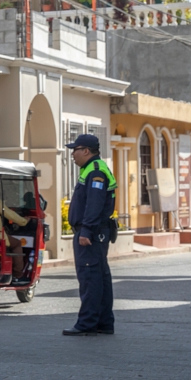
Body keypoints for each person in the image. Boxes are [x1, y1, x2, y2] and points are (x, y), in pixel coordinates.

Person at [63, 133, 117, 336]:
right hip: (97, 233)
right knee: (100, 277)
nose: (72, 155)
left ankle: (87, 323)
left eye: (75, 150)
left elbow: (94, 204)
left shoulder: (95, 172)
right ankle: (104, 322)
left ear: (86, 151)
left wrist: (86, 230)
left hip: (91, 234)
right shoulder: (92, 169)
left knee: (90, 278)